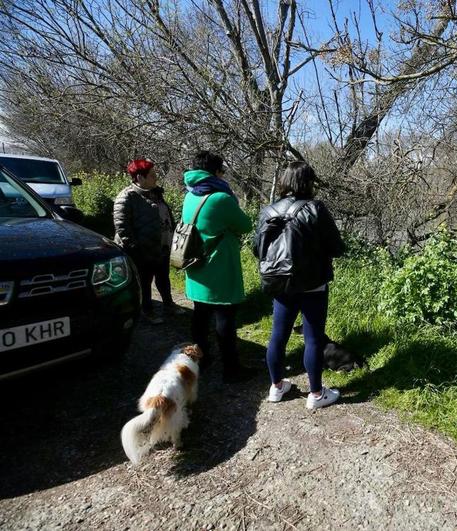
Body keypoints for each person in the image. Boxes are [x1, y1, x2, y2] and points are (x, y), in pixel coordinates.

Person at [253, 161, 345, 409]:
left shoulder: (268, 211)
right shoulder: (315, 209)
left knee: (278, 336)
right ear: (308, 182)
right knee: (313, 339)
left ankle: (276, 387)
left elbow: (256, 248)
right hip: (312, 284)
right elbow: (337, 248)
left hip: (279, 283)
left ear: (284, 181)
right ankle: (316, 395)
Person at [182, 150, 254, 383]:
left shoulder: (189, 195)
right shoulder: (221, 198)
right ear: (215, 172)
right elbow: (245, 225)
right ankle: (231, 370)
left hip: (195, 267)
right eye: (222, 171)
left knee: (200, 317)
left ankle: (201, 360)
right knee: (225, 319)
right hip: (219, 268)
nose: (224, 175)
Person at [114, 158, 179, 325]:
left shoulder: (156, 193)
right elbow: (122, 227)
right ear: (139, 178)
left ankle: (169, 304)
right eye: (151, 175)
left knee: (163, 277)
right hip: (142, 250)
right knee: (144, 282)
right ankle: (147, 310)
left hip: (161, 246)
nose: (155, 177)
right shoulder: (127, 197)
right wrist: (135, 248)